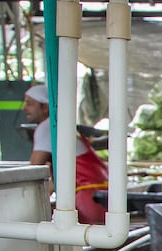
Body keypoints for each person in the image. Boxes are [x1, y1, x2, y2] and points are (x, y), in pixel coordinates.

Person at [23, 83, 108, 224]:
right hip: (99, 193)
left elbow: (32, 171)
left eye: (30, 104)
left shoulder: (47, 128)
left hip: (87, 194)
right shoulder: (61, 125)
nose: (25, 108)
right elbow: (55, 179)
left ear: (45, 107)